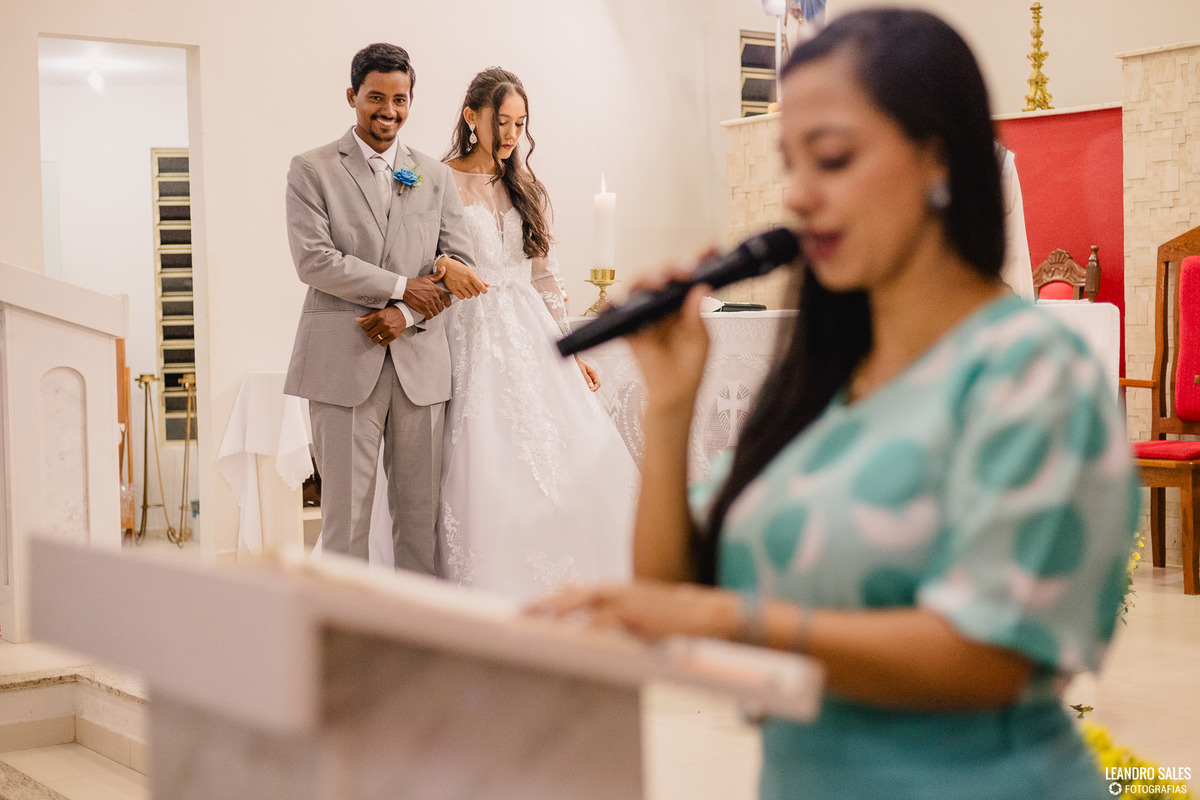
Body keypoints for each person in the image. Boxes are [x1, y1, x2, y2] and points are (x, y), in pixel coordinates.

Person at [531, 10, 1138, 799]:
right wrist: (671, 402)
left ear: (938, 157)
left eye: (832, 158)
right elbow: (678, 590)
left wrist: (733, 623)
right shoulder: (823, 377)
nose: (797, 195)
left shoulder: (1032, 370)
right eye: (789, 164)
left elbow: (992, 655)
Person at [436, 67, 637, 600]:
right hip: (469, 327)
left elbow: (544, 275)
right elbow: (422, 257)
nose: (510, 135)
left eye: (520, 124)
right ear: (470, 116)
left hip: (527, 326)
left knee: (565, 457)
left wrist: (571, 350)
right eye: (501, 121)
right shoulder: (438, 181)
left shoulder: (525, 186)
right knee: (484, 459)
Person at [284, 43, 484, 573]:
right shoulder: (312, 169)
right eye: (376, 97)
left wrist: (408, 313)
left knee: (420, 520)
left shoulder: (434, 176)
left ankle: (413, 643)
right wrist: (401, 286)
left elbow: (457, 264)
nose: (388, 111)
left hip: (420, 368)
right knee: (344, 522)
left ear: (411, 101)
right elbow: (315, 261)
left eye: (400, 99)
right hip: (342, 364)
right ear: (352, 96)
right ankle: (342, 644)